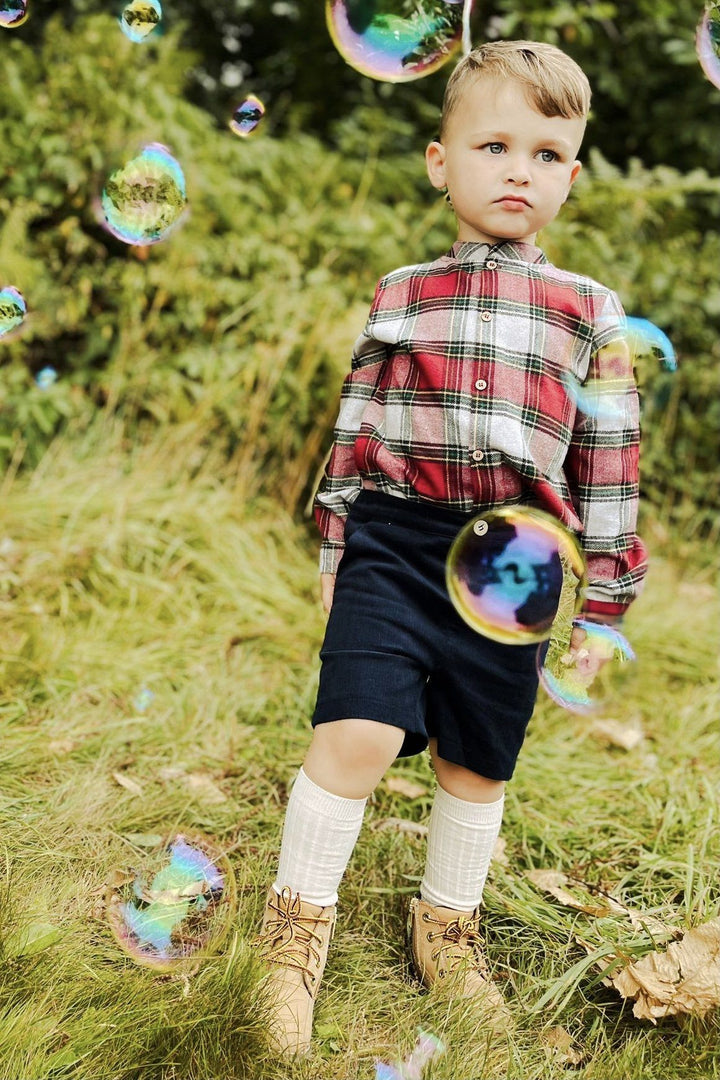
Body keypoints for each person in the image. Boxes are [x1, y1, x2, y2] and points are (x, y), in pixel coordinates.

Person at [252, 39, 648, 1056]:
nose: (520, 170)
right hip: (396, 531)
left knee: (480, 758)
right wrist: (338, 549)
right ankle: (294, 931)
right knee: (359, 732)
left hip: (519, 556)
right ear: (441, 163)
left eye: (548, 153)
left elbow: (609, 461)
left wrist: (604, 600)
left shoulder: (591, 314)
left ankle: (447, 928)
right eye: (496, 145)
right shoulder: (402, 293)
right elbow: (354, 425)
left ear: (573, 173)